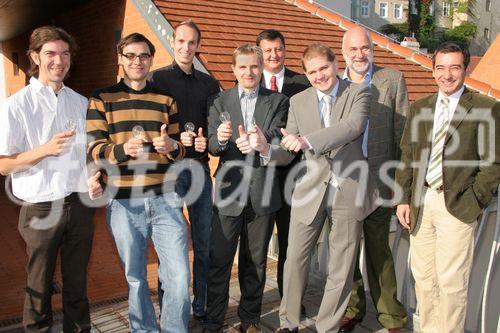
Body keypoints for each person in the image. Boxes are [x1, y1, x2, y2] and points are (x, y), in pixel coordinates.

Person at [254, 43, 379, 333]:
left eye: (323, 68)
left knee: (341, 266)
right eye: (312, 72)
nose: (319, 76)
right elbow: (289, 151)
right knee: (295, 258)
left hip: (349, 189)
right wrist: (267, 149)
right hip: (310, 190)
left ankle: (327, 326)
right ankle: (289, 322)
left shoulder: (359, 92)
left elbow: (352, 127)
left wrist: (307, 141)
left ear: (335, 64)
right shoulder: (298, 101)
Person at [86, 33, 190, 333]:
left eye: (143, 56)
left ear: (151, 59)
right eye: (130, 55)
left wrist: (171, 147)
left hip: (165, 199)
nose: (137, 61)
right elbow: (93, 148)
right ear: (120, 59)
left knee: (180, 277)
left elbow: (179, 149)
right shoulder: (101, 98)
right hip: (123, 202)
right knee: (136, 277)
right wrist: (121, 150)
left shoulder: (165, 100)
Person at [395, 41, 499, 333]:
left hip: (457, 206)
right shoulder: (420, 108)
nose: (447, 74)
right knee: (425, 280)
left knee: (452, 284)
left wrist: (474, 201)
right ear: (433, 70)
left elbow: (493, 165)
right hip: (421, 202)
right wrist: (403, 198)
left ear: (466, 69)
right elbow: (407, 156)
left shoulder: (486, 108)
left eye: (455, 67)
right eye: (440, 67)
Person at [0, 26, 95, 332]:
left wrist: (96, 175)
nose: (59, 60)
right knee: (38, 287)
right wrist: (44, 150)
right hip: (40, 207)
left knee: (77, 285)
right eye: (51, 53)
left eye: (65, 53)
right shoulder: (16, 106)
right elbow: (3, 165)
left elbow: (90, 154)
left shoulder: (81, 103)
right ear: (34, 57)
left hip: (79, 205)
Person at [202, 45, 288, 333]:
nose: (249, 72)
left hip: (263, 191)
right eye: (243, 67)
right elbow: (213, 145)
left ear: (261, 67)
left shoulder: (277, 101)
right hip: (229, 191)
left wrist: (262, 141)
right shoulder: (218, 100)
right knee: (219, 261)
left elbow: (277, 137)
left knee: (256, 263)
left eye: (254, 66)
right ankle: (214, 320)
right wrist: (222, 139)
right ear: (233, 70)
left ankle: (250, 318)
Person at [150, 19, 220, 322]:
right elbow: (153, 129)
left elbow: (214, 124)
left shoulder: (209, 83)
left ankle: (201, 305)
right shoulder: (157, 80)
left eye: (192, 43)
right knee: (172, 246)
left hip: (199, 170)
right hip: (168, 172)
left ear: (198, 46)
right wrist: (176, 140)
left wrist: (206, 140)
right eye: (181, 41)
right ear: (173, 41)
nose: (186, 48)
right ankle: (171, 308)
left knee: (204, 242)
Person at [339, 27, 408, 332]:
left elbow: (403, 136)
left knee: (380, 250)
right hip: (345, 183)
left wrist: (401, 186)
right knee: (348, 251)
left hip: (380, 181)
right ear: (344, 53)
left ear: (372, 49)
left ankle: (391, 317)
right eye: (353, 49)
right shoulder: (334, 85)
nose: (359, 54)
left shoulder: (392, 80)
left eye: (364, 48)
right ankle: (353, 307)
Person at [256, 29, 309, 300]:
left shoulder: (302, 83)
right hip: (261, 178)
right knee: (258, 246)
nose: (274, 55)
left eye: (278, 49)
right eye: (267, 50)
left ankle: (291, 302)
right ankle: (253, 306)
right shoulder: (252, 85)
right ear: (259, 53)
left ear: (285, 49)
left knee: (292, 244)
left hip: (294, 176)